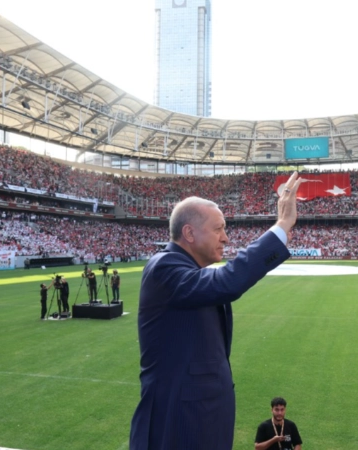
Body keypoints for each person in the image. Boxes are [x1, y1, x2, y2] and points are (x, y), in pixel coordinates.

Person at [129, 172, 305, 450]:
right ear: (189, 233)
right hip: (180, 423)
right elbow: (227, 282)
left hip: (201, 418)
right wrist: (281, 226)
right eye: (218, 229)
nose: (225, 237)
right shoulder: (163, 267)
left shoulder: (189, 271)